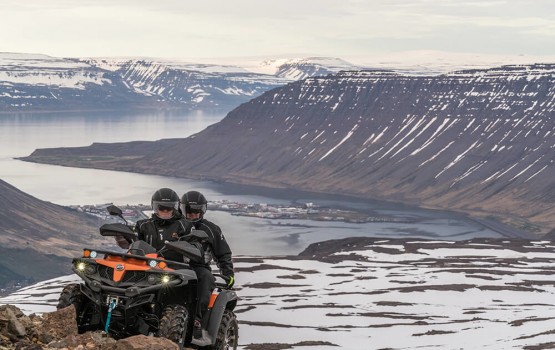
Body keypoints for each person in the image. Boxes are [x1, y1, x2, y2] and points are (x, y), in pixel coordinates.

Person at [180, 190, 235, 345]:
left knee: (206, 278)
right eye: (190, 212)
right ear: (182, 208)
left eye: (197, 213)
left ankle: (197, 322)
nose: (193, 216)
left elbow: (223, 253)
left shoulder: (211, 229)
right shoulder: (175, 225)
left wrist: (228, 274)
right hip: (172, 265)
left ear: (203, 211)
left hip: (198, 267)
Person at [114, 188, 191, 263]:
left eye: (169, 208)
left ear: (175, 208)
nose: (165, 211)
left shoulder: (184, 225)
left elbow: (194, 244)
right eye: (161, 207)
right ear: (155, 207)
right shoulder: (143, 225)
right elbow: (132, 242)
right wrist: (122, 235)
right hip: (147, 265)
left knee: (196, 273)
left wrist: (192, 246)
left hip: (175, 266)